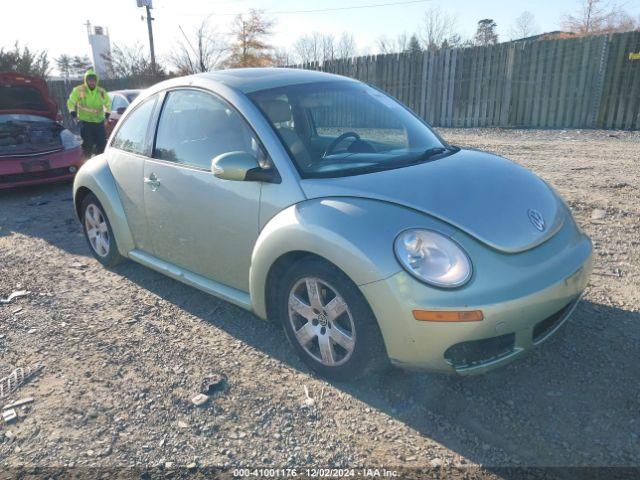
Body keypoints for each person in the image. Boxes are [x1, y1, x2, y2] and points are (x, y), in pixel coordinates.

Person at [66, 68, 110, 162]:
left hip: (99, 121)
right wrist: (74, 115)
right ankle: (86, 163)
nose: (91, 82)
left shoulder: (101, 92)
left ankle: (99, 163)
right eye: (89, 80)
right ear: (86, 80)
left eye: (93, 80)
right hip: (85, 122)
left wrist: (106, 117)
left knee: (102, 143)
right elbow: (71, 103)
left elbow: (108, 104)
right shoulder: (79, 90)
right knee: (88, 145)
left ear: (96, 80)